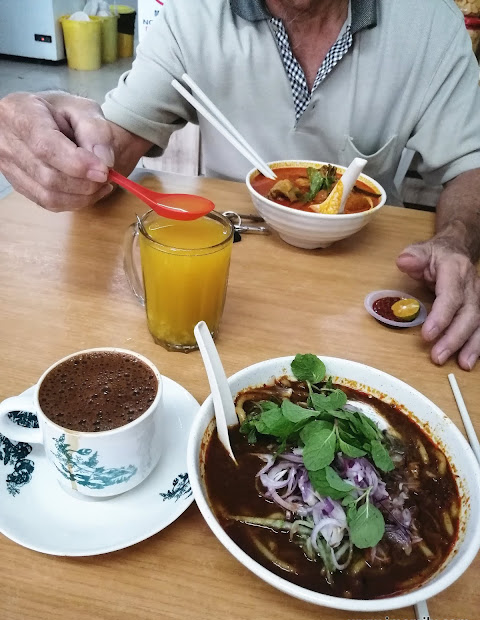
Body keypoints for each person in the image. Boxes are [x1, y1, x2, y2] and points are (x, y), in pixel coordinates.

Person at [0, 0, 480, 370]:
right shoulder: (194, 15)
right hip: (228, 282)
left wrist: (457, 238)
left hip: (370, 292)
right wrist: (65, 140)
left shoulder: (429, 22)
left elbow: (470, 163)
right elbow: (110, 151)